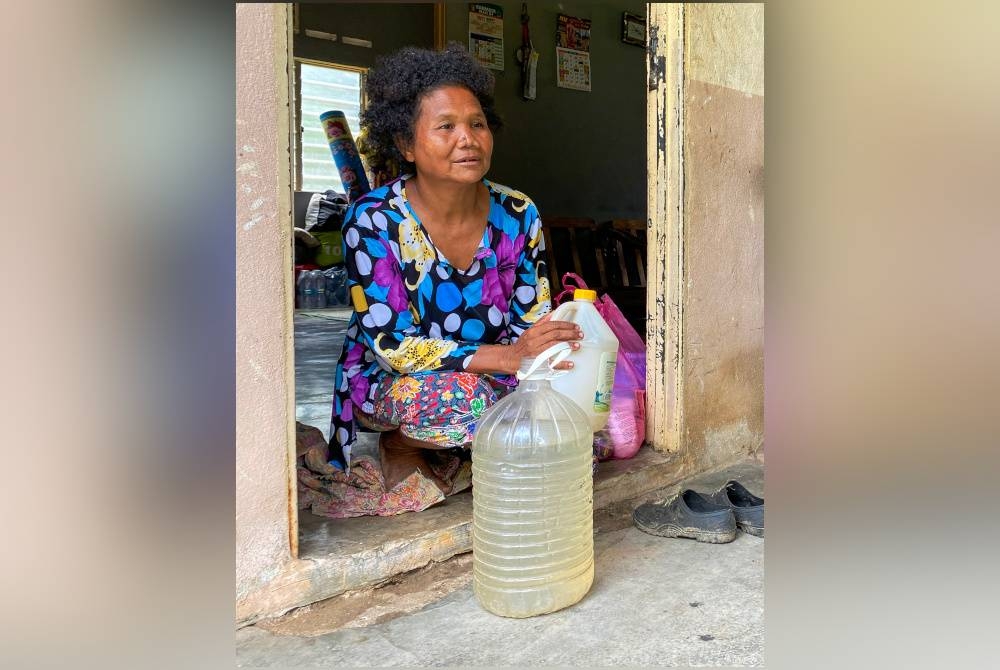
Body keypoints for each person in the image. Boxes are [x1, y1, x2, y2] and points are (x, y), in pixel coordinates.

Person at [330, 43, 582, 497]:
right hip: (395, 377)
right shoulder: (373, 220)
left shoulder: (518, 212)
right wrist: (505, 358)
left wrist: (548, 355)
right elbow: (394, 346)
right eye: (445, 126)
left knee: (586, 411)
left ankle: (468, 442)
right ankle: (400, 445)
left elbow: (532, 321)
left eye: (477, 124)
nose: (468, 138)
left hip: (500, 368)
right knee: (464, 402)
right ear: (406, 144)